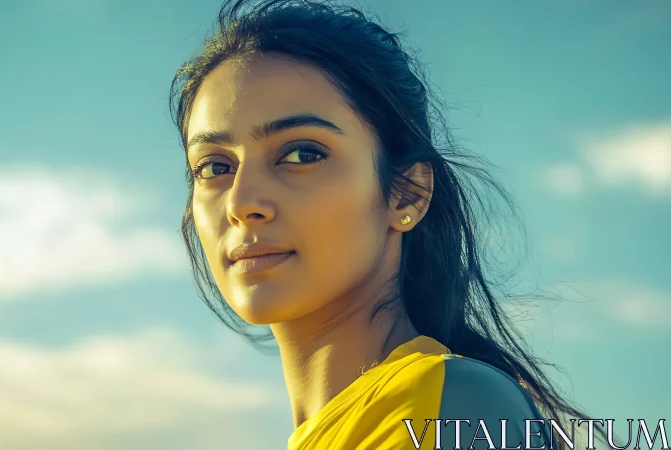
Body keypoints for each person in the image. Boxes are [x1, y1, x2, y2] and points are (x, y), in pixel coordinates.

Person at [168, 1, 609, 448]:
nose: (242, 203)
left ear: (407, 193)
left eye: (302, 154)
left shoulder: (446, 406)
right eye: (213, 167)